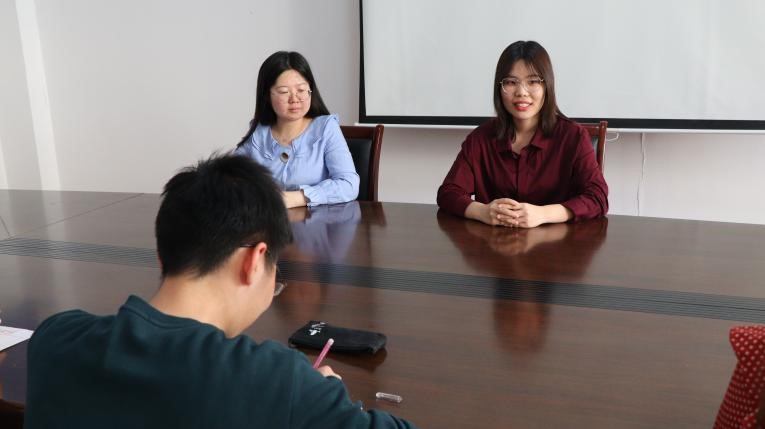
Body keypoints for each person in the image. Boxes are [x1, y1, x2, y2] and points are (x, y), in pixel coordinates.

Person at [24, 154, 417, 429]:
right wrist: (324, 400)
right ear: (254, 261)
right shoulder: (278, 382)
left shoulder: (55, 340)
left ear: (163, 256)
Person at [437, 40, 608, 228]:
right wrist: (483, 211)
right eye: (511, 82)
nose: (521, 92)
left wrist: (543, 214)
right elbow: (449, 193)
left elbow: (597, 197)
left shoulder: (573, 137)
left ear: (547, 86)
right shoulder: (480, 139)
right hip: (494, 243)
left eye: (533, 81)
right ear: (499, 87)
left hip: (557, 244)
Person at [236, 51, 359, 208]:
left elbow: (349, 184)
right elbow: (230, 178)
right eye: (284, 92)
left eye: (301, 90)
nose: (294, 99)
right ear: (267, 95)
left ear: (310, 91)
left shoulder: (326, 128)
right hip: (269, 220)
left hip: (316, 221)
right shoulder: (259, 132)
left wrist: (296, 198)